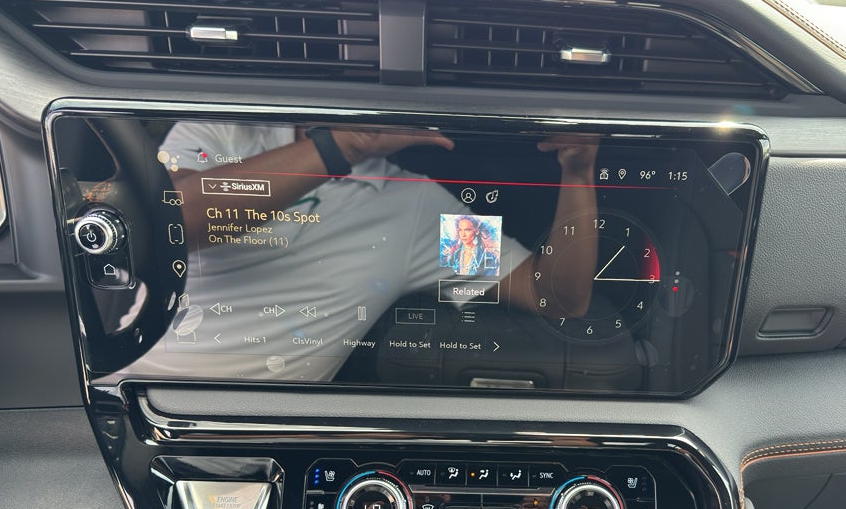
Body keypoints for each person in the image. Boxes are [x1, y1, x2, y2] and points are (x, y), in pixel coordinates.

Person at [133, 121, 598, 381]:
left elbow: (556, 296)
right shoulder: (220, 130)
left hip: (241, 451)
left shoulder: (413, 205)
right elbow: (173, 223)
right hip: (125, 399)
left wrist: (577, 174)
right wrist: (343, 146)